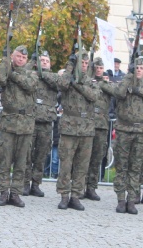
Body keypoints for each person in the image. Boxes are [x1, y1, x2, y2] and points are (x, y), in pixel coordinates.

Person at [47, 51, 99, 211]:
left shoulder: (90, 81)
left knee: (81, 165)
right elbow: (61, 85)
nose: (83, 65)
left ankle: (76, 195)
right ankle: (64, 195)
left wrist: (77, 84)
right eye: (80, 63)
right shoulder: (67, 78)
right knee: (66, 164)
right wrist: (70, 67)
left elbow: (93, 96)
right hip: (69, 126)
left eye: (85, 63)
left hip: (86, 128)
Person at [0, 45, 38, 207]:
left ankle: (16, 193)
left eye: (23, 58)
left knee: (21, 162)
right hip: (9, 121)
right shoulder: (6, 71)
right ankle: (4, 192)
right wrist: (6, 61)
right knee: (5, 159)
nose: (20, 60)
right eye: (18, 56)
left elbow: (30, 86)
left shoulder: (31, 74)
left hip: (26, 123)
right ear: (13, 56)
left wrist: (13, 75)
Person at [99, 58, 143, 214]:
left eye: (141, 68)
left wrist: (136, 90)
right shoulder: (124, 82)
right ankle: (121, 200)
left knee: (135, 168)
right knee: (122, 167)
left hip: (140, 132)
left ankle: (132, 200)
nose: (138, 70)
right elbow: (118, 93)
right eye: (136, 67)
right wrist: (129, 77)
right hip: (124, 130)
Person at [23, 51, 58, 198]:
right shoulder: (31, 74)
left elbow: (59, 84)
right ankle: (25, 183)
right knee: (27, 153)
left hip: (46, 122)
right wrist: (32, 63)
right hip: (31, 119)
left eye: (46, 60)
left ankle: (36, 183)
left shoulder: (53, 77)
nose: (44, 62)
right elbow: (23, 75)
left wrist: (43, 73)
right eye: (41, 60)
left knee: (41, 155)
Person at [84, 57, 111, 201]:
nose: (98, 70)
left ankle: (91, 187)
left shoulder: (106, 84)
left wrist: (104, 83)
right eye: (96, 67)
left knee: (96, 158)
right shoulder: (88, 82)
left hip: (101, 126)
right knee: (84, 158)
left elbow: (117, 92)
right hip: (88, 123)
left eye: (100, 68)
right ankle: (81, 186)